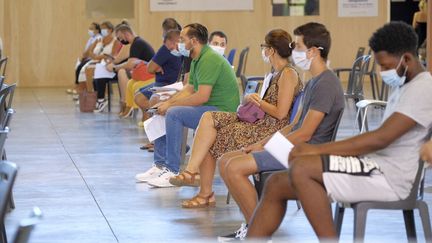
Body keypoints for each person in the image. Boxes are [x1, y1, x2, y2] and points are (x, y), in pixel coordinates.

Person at [246, 21, 432, 241]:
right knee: (277, 184)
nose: (381, 71)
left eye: (384, 65)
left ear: (407, 59)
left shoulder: (422, 87)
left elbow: (380, 138)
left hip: (389, 177)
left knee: (303, 166)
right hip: (374, 167)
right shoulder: (406, 85)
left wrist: (316, 151)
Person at [217, 22, 345, 241]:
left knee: (234, 167)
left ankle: (256, 231)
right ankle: (254, 226)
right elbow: (293, 125)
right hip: (293, 145)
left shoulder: (326, 84)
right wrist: (262, 143)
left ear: (313, 51)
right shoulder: (314, 81)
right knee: (224, 160)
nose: (292, 50)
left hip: (306, 152)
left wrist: (266, 145)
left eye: (297, 45)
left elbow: (305, 134)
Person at [169, 29, 303, 209]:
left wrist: (259, 102)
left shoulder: (288, 74)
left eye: (264, 47)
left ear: (271, 50)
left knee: (212, 137)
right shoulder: (276, 73)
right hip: (259, 121)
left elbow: (280, 113)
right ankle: (191, 172)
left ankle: (204, 193)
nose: (263, 51)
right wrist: (254, 100)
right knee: (208, 118)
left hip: (268, 129)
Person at [134, 23, 240, 188]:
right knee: (162, 108)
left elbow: (201, 96)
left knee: (174, 114)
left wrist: (171, 106)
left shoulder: (209, 59)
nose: (180, 43)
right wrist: (167, 103)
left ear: (194, 40)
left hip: (223, 112)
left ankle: (172, 170)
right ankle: (160, 164)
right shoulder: (197, 58)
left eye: (183, 39)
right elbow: (189, 89)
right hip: (210, 107)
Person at [106, 22, 155, 116]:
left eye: (120, 38)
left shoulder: (137, 43)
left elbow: (130, 64)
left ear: (127, 34)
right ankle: (129, 106)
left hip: (150, 75)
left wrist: (115, 68)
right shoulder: (135, 43)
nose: (120, 40)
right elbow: (131, 63)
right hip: (144, 74)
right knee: (130, 83)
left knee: (134, 85)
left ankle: (142, 112)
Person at [134, 30, 182, 124]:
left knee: (147, 99)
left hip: (169, 84)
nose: (171, 47)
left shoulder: (183, 51)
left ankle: (154, 118)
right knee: (138, 96)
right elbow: (150, 68)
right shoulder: (166, 49)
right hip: (163, 82)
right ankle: (150, 117)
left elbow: (150, 68)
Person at [68, 22, 102, 96]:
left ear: (97, 30)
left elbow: (90, 50)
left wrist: (84, 56)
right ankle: (78, 86)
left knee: (81, 67)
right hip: (87, 57)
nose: (89, 30)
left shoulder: (98, 38)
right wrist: (82, 57)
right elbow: (86, 50)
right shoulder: (91, 38)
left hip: (93, 58)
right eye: (89, 28)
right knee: (78, 66)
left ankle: (79, 87)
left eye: (92, 28)